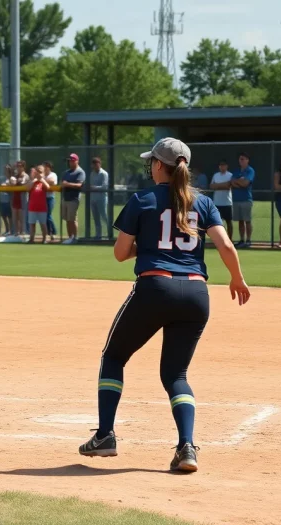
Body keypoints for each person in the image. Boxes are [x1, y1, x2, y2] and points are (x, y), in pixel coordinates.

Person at [78, 137, 250, 473]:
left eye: (151, 162)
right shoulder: (202, 203)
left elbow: (119, 253)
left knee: (114, 356)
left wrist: (146, 246)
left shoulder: (142, 199)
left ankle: (105, 436)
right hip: (197, 295)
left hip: (155, 287)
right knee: (176, 374)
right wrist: (237, 278)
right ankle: (187, 447)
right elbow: (226, 245)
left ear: (159, 165)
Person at [61, 153, 86, 244]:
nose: (70, 162)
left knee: (72, 219)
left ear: (76, 161)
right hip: (65, 198)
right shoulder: (66, 172)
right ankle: (70, 237)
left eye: (72, 161)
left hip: (74, 198)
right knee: (67, 219)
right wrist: (63, 184)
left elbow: (79, 184)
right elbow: (62, 183)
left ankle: (75, 237)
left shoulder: (80, 172)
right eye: (69, 161)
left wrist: (67, 184)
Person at [209, 160, 233, 240]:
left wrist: (218, 186)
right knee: (218, 223)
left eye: (224, 165)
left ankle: (230, 239)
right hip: (217, 203)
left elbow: (228, 186)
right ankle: (220, 239)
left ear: (227, 166)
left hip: (227, 203)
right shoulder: (216, 175)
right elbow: (212, 186)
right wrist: (223, 185)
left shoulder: (230, 175)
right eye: (221, 165)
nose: (222, 167)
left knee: (229, 222)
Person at [26, 165, 49, 243]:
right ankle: (31, 239)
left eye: (41, 172)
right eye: (37, 172)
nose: (39, 174)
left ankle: (44, 239)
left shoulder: (43, 181)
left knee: (43, 224)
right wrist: (34, 180)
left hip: (42, 207)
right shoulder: (33, 181)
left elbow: (48, 187)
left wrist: (42, 180)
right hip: (32, 206)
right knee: (32, 224)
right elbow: (28, 188)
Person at [89, 157, 110, 240]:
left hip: (102, 198)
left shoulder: (104, 173)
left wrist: (93, 187)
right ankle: (98, 235)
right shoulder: (92, 173)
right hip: (93, 198)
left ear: (100, 164)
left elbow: (104, 186)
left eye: (96, 165)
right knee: (96, 217)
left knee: (104, 216)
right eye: (94, 165)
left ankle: (110, 233)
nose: (95, 167)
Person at [43, 161, 58, 241]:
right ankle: (49, 233)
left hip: (50, 197)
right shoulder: (43, 175)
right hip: (43, 198)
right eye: (44, 166)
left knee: (48, 215)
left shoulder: (53, 174)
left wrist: (42, 180)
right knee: (44, 216)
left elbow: (52, 182)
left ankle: (53, 232)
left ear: (50, 167)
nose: (45, 168)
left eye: (46, 166)